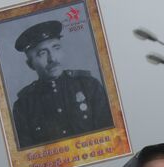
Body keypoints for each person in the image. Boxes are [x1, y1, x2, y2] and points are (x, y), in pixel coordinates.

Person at [12, 20, 113, 149]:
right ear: (30, 64)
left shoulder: (89, 86)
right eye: (42, 53)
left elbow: (110, 139)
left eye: (56, 48)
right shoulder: (23, 106)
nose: (52, 58)